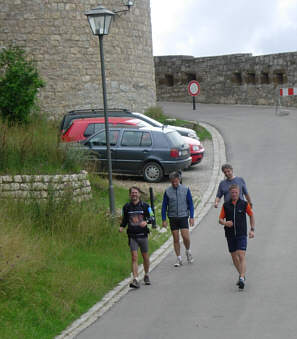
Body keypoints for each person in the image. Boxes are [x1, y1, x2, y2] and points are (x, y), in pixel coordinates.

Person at [219, 184, 255, 289]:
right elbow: (220, 219)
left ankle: (242, 278)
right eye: (232, 192)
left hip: (241, 234)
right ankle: (242, 275)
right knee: (234, 257)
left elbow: (251, 215)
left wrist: (252, 230)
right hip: (230, 235)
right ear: (230, 193)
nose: (234, 194)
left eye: (236, 192)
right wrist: (225, 223)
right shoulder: (226, 205)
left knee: (241, 255)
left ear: (239, 193)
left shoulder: (244, 204)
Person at [119, 186, 154, 288]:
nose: (134, 194)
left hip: (143, 235)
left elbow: (152, 217)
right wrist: (121, 227)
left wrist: (146, 222)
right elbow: (124, 219)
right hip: (132, 236)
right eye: (132, 193)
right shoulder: (126, 207)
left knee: (145, 257)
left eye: (136, 192)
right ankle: (135, 279)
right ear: (130, 195)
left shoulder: (146, 206)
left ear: (139, 194)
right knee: (134, 257)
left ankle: (146, 274)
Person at [161, 171, 195, 267]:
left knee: (186, 237)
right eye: (172, 182)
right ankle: (179, 258)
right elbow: (164, 206)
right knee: (176, 238)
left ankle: (188, 251)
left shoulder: (185, 189)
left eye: (176, 181)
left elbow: (191, 204)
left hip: (183, 216)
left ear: (179, 180)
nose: (174, 184)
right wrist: (164, 219)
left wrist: (191, 217)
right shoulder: (168, 191)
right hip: (172, 217)